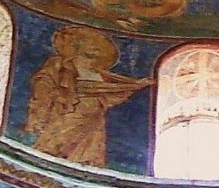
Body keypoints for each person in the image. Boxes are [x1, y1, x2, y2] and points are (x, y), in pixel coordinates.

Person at [26, 27, 153, 168]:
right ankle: (48, 154)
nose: (96, 53)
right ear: (78, 45)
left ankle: (84, 163)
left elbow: (115, 88)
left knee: (91, 141)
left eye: (99, 49)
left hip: (95, 113)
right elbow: (46, 82)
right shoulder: (63, 64)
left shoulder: (99, 72)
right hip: (74, 107)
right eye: (92, 47)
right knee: (63, 132)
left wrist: (136, 85)